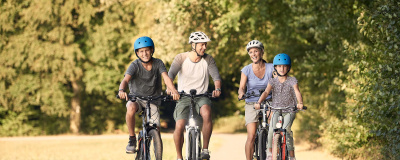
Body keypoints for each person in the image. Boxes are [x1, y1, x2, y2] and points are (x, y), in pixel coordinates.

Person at [118, 36, 180, 154]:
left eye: (147, 50)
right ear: (137, 53)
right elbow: (125, 80)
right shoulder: (134, 65)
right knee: (130, 107)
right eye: (141, 51)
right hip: (137, 99)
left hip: (153, 100)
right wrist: (121, 90)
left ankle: (157, 152)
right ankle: (132, 139)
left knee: (156, 129)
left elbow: (166, 78)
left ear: (152, 50)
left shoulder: (158, 63)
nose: (144, 53)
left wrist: (173, 90)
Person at [168, 31, 222, 160]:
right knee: (179, 126)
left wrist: (217, 88)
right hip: (183, 96)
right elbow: (170, 76)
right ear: (193, 45)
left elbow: (216, 77)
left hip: (202, 96)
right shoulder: (180, 58)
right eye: (201, 45)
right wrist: (171, 90)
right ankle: (179, 156)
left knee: (207, 113)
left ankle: (205, 150)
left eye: (205, 45)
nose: (204, 47)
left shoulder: (208, 59)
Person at [254, 53, 304, 160]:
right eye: (279, 66)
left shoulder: (292, 80)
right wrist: (259, 102)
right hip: (276, 109)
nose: (282, 68)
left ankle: (291, 156)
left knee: (287, 129)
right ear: (275, 67)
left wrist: (300, 103)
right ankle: (269, 153)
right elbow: (266, 92)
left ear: (288, 68)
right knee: (272, 129)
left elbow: (297, 92)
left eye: (285, 66)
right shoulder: (272, 81)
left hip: (290, 110)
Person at [237, 40, 275, 160]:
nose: (253, 54)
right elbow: (242, 87)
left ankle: (274, 152)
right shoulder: (246, 70)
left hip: (269, 100)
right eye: (251, 52)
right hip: (251, 102)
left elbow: (277, 82)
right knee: (251, 136)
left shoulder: (271, 67)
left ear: (262, 52)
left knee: (274, 128)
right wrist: (241, 94)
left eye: (256, 51)